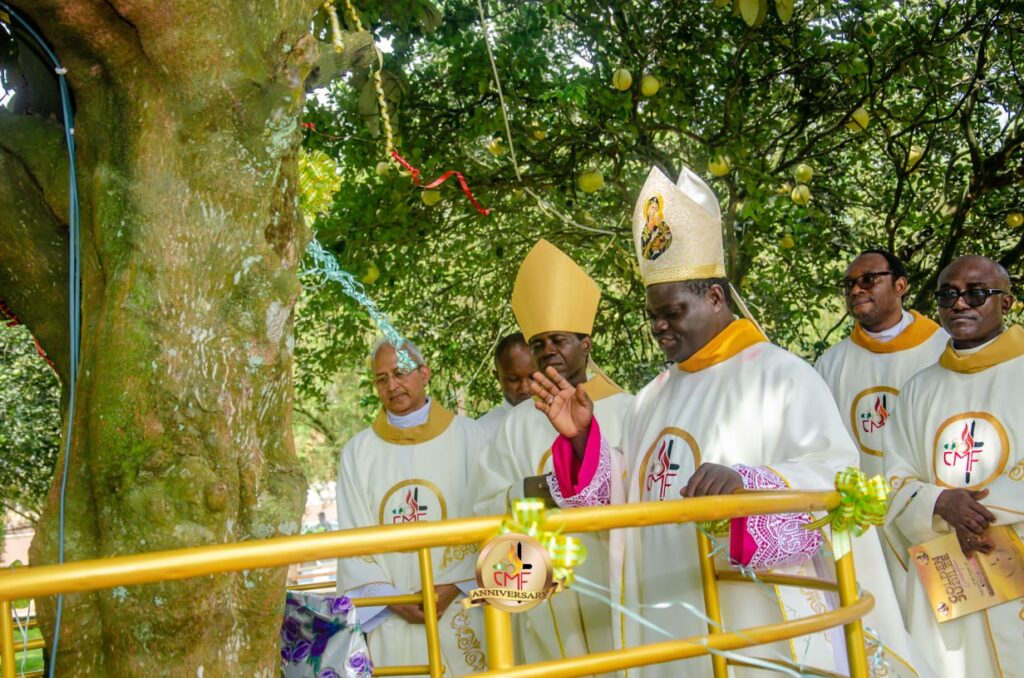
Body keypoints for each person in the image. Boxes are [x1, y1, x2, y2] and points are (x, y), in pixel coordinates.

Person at [529, 164, 928, 677]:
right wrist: (585, 443)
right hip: (665, 617)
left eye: (672, 311)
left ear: (715, 297)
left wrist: (748, 487)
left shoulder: (780, 376)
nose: (659, 327)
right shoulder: (651, 398)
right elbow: (626, 498)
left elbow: (834, 478)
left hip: (752, 622)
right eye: (652, 314)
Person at [470, 239, 633, 671]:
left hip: (612, 576)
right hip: (544, 584)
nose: (546, 351)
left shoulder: (630, 408)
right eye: (538, 343)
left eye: (557, 339)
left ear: (586, 342)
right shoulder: (518, 423)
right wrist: (524, 498)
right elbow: (484, 504)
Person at [883, 255, 1023, 678]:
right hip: (950, 565)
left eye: (976, 293)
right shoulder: (918, 388)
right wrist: (939, 502)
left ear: (1007, 302)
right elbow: (894, 477)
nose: (960, 304)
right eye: (948, 295)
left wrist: (980, 510)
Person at [336, 339, 487, 674]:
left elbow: (487, 513)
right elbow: (351, 536)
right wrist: (390, 598)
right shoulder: (357, 453)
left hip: (460, 605)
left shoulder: (471, 437)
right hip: (392, 615)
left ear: (424, 374)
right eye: (381, 378)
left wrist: (454, 586)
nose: (392, 385)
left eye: (400, 372)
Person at [815, 249, 947, 602]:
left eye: (869, 279)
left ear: (901, 285)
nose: (856, 290)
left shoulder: (944, 350)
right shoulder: (831, 363)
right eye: (849, 284)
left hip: (930, 517)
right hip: (859, 522)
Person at [476, 332, 535, 439]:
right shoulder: (483, 431)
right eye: (513, 379)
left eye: (533, 377)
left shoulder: (560, 422)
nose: (525, 388)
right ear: (497, 377)